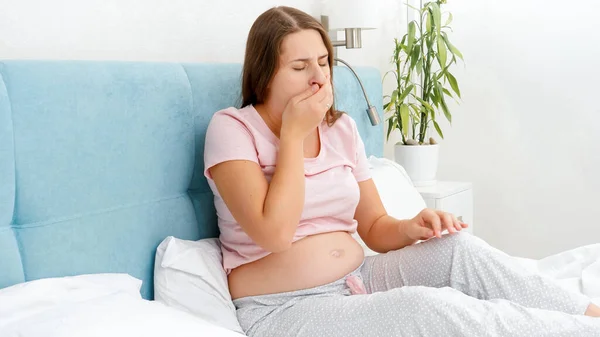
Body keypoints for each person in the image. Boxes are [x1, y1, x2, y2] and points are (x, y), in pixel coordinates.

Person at [203, 6, 600, 337]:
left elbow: (374, 224)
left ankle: (590, 318)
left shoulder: (340, 129)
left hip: (360, 275)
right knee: (425, 308)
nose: (319, 78)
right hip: (283, 308)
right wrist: (292, 136)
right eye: (300, 66)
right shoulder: (232, 129)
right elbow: (274, 234)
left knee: (459, 250)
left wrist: (412, 226)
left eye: (324, 62)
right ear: (265, 72)